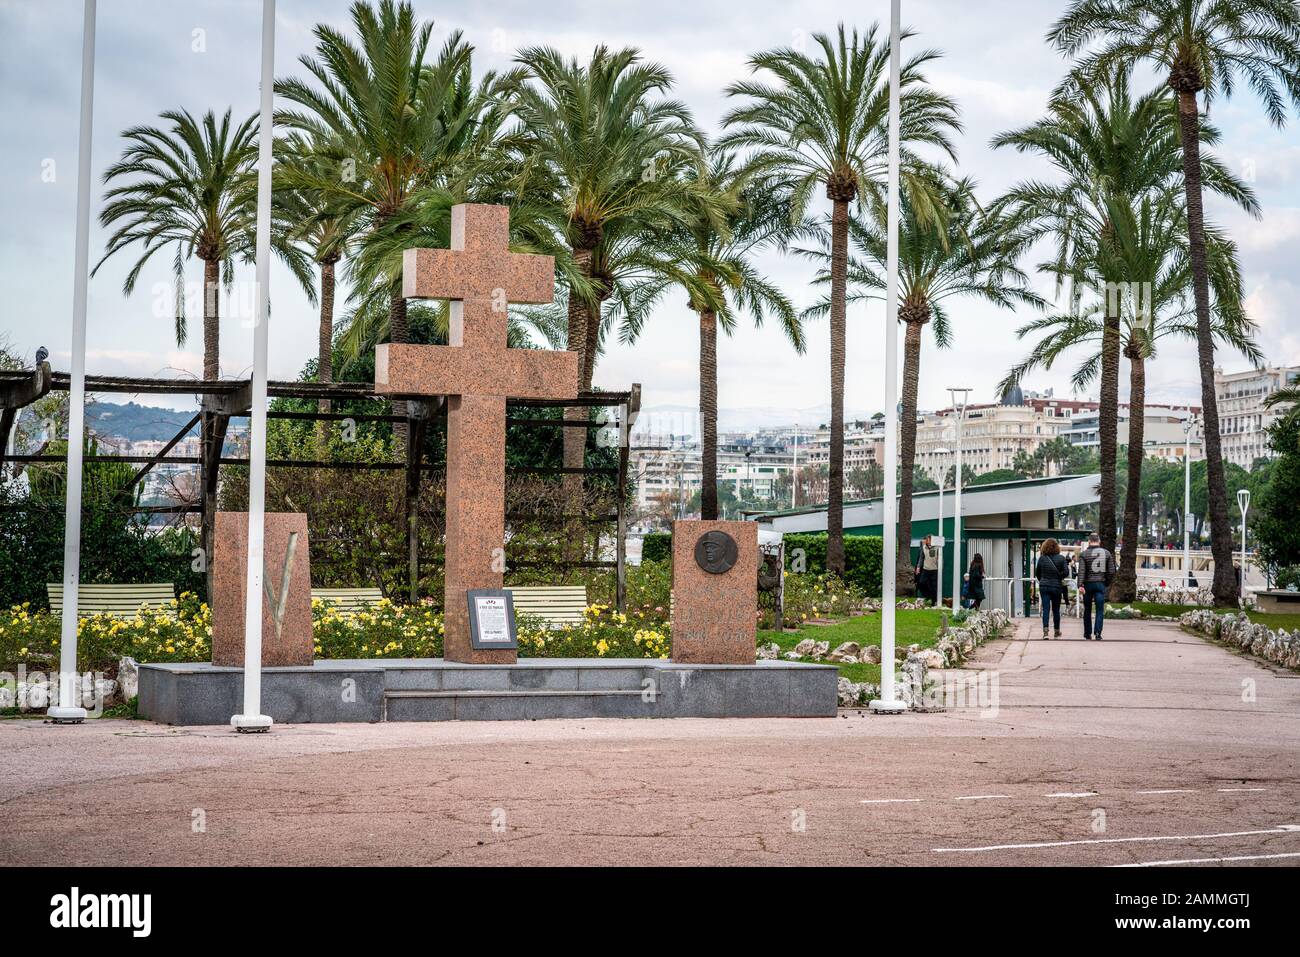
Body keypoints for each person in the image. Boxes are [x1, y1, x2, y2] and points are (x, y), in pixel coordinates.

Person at [1079, 532, 1116, 640]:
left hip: (1088, 585)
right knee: (1099, 609)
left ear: (1089, 541)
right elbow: (1111, 571)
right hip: (1100, 584)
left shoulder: (1084, 554)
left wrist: (1080, 584)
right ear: (1099, 541)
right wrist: (1106, 582)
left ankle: (1087, 633)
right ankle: (1098, 633)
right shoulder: (1107, 553)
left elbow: (1082, 571)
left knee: (1087, 609)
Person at [1035, 538, 1070, 638]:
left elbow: (1038, 573)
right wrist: (1060, 576)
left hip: (1044, 586)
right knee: (1056, 609)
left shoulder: (1042, 559)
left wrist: (1043, 580)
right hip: (1056, 586)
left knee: (1046, 609)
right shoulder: (1061, 558)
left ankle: (1045, 632)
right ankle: (1056, 631)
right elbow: (1066, 572)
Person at [915, 535, 940, 605]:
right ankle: (928, 595)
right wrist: (918, 567)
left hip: (934, 569)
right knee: (921, 583)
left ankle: (934, 601)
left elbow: (940, 558)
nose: (928, 541)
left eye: (930, 540)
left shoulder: (937, 548)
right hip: (926, 569)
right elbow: (921, 558)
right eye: (927, 540)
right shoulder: (924, 547)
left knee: (934, 586)